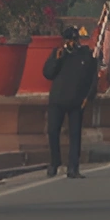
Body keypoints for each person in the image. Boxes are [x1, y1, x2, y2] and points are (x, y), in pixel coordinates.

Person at [39, 24, 97, 179]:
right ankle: (55, 161)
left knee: (75, 135)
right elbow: (48, 73)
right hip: (57, 100)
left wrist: (88, 98)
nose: (70, 43)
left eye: (72, 40)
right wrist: (56, 60)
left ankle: (73, 167)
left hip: (77, 101)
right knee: (52, 131)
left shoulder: (86, 55)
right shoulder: (58, 54)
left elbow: (93, 79)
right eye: (67, 40)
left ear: (77, 40)